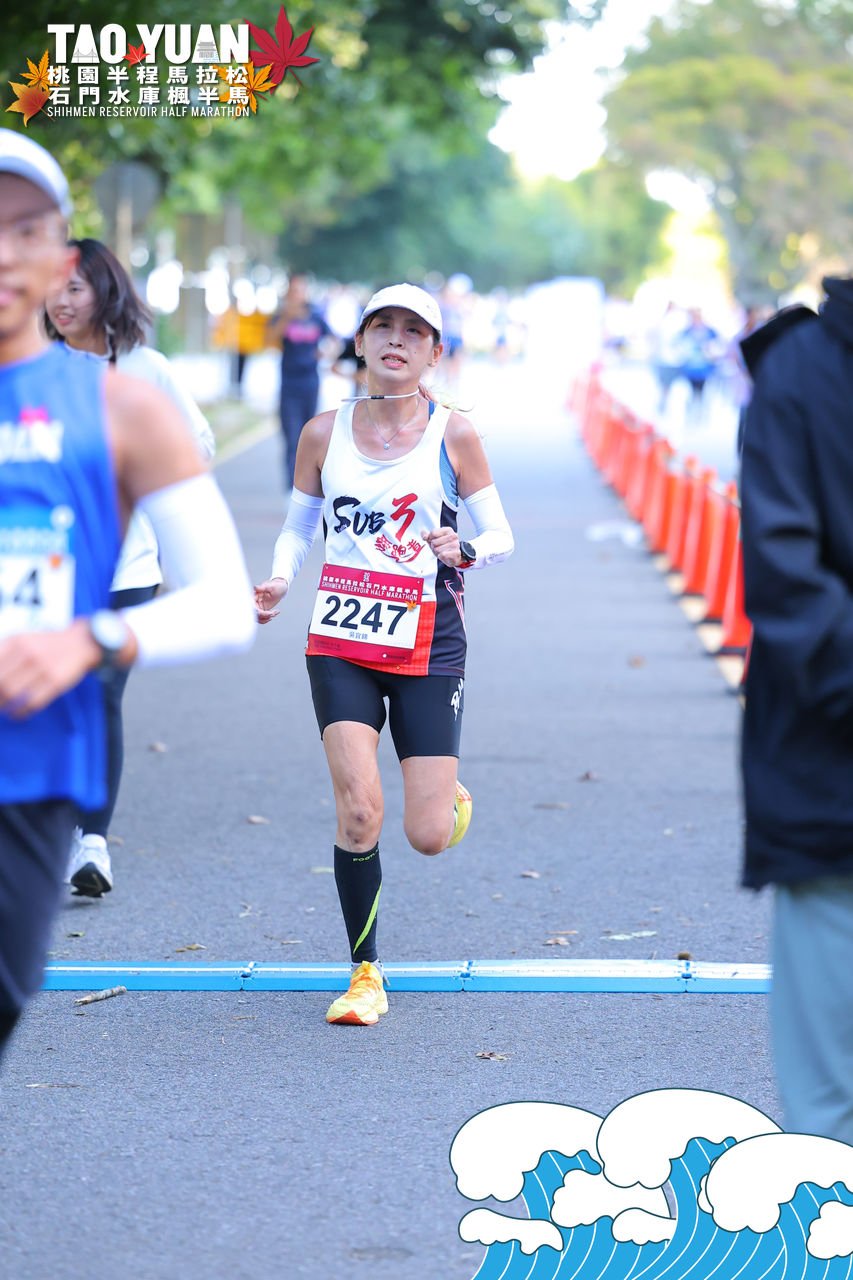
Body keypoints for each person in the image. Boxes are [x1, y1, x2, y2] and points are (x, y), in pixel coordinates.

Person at [0, 132, 255, 1061]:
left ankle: (91, 842)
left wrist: (90, 640)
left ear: (61, 260)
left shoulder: (122, 406)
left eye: (23, 230)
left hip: (27, 771)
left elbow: (224, 602)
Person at [254, 283, 514, 1026]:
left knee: (426, 836)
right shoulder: (321, 432)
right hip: (341, 641)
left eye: (414, 331)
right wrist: (280, 578)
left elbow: (500, 536)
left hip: (430, 641)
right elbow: (299, 526)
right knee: (360, 810)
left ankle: (447, 795)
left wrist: (464, 548)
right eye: (383, 327)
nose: (397, 340)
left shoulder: (455, 435)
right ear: (360, 342)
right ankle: (365, 973)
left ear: (434, 352)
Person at [43, 238, 215, 898]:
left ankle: (92, 842)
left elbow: (197, 444)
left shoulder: (147, 369)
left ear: (105, 290)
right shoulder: (30, 368)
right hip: (45, 568)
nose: (60, 300)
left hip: (125, 567)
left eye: (75, 287)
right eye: (53, 287)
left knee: (101, 696)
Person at [739, 277, 853, 1142]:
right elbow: (782, 569)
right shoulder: (804, 368)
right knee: (828, 1115)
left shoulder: (801, 365)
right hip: (831, 767)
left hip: (824, 748)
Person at [266, 273, 336, 493]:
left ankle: (307, 488)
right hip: (289, 385)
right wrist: (286, 317)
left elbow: (333, 339)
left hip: (311, 383)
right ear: (288, 293)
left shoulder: (315, 316)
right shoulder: (281, 316)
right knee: (292, 438)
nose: (297, 295)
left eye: (300, 290)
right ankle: (291, 489)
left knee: (310, 437)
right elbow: (269, 340)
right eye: (293, 290)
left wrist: (326, 353)